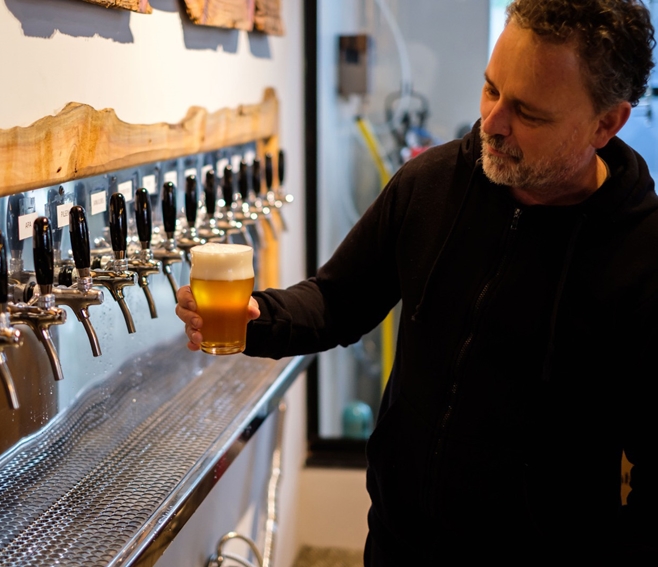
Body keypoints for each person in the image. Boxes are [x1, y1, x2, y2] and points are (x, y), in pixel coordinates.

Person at [176, 0, 658, 564]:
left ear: (607, 123)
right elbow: (338, 299)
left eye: (528, 113)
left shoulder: (642, 254)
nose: (492, 122)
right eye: (491, 88)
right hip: (398, 544)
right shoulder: (431, 183)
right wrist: (264, 316)